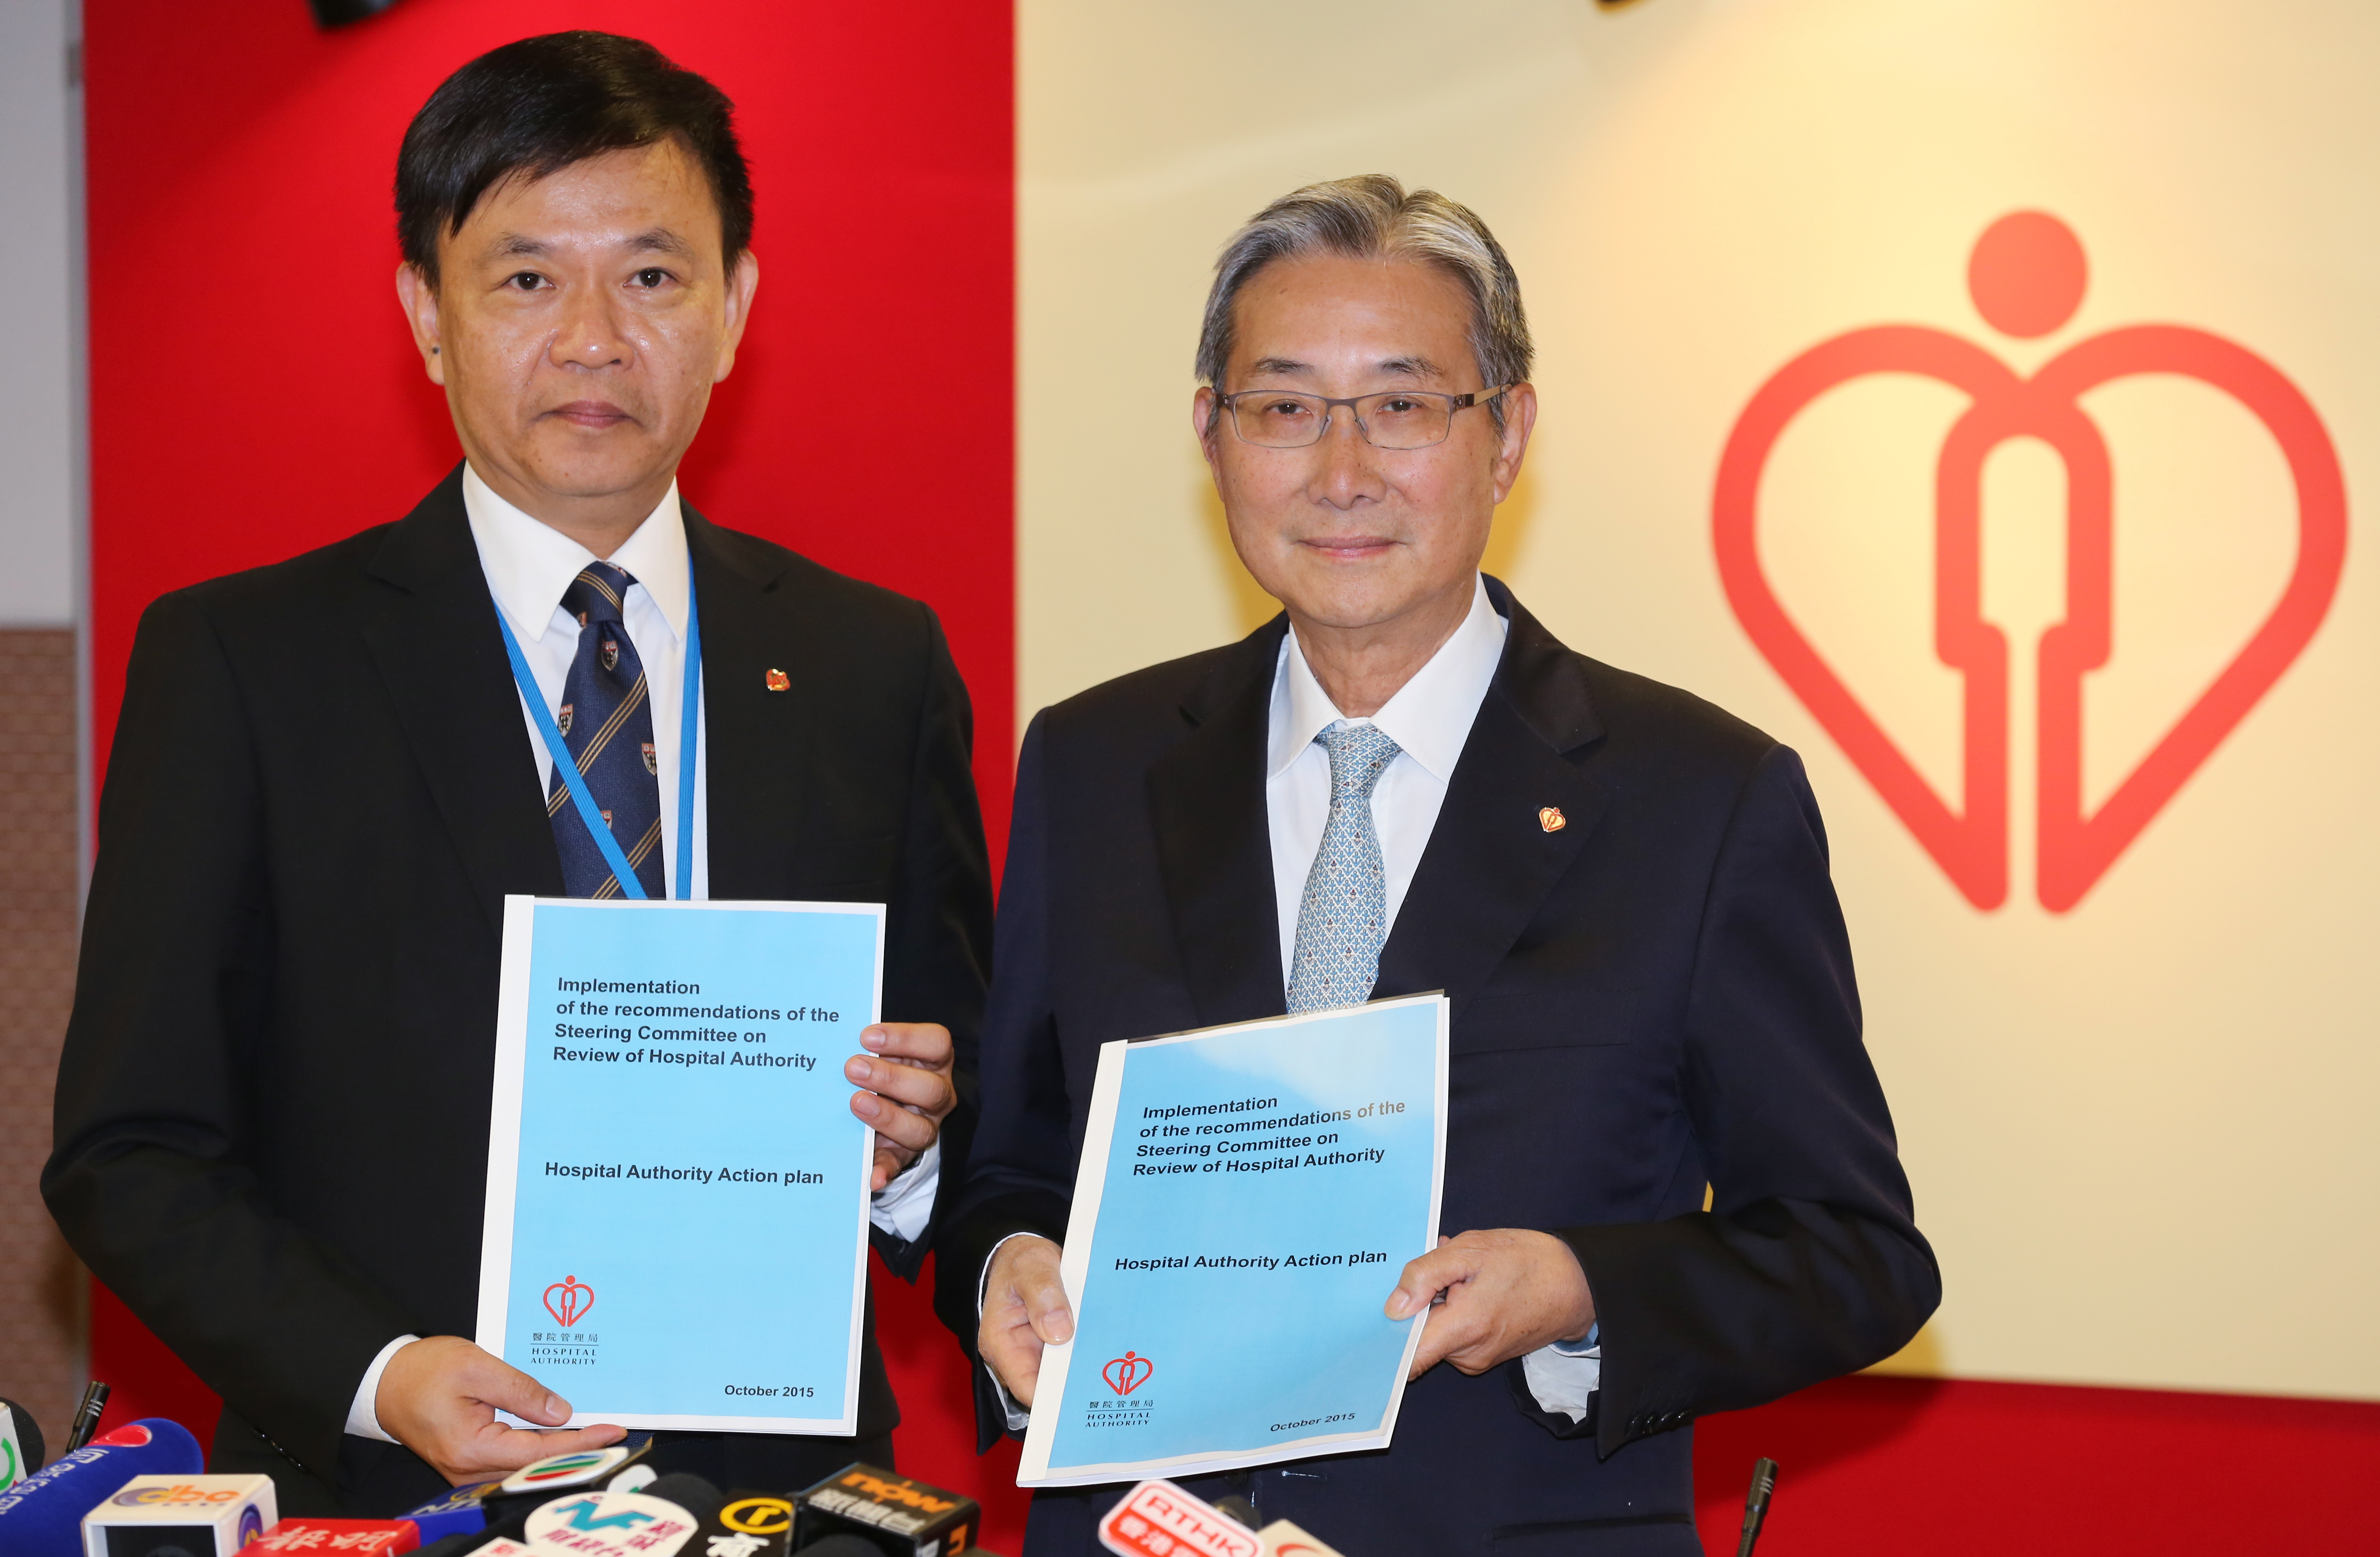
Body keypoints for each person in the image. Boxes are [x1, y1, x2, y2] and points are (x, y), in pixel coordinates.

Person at [45, 32, 991, 1517]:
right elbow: (131, 1151)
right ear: (428, 313)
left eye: (655, 277)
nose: (596, 338)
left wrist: (922, 1148)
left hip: (777, 1494)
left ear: (735, 307)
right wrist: (379, 1369)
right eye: (528, 277)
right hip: (378, 1493)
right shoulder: (246, 661)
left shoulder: (875, 662)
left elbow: (968, 1063)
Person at [935, 176, 1940, 1554]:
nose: (1339, 472)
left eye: (1403, 406)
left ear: (1507, 432)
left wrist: (1579, 1287)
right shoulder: (1093, 760)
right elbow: (1017, 1160)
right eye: (1282, 407)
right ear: (1210, 435)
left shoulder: (1697, 796)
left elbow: (1853, 1256)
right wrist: (1006, 1264)